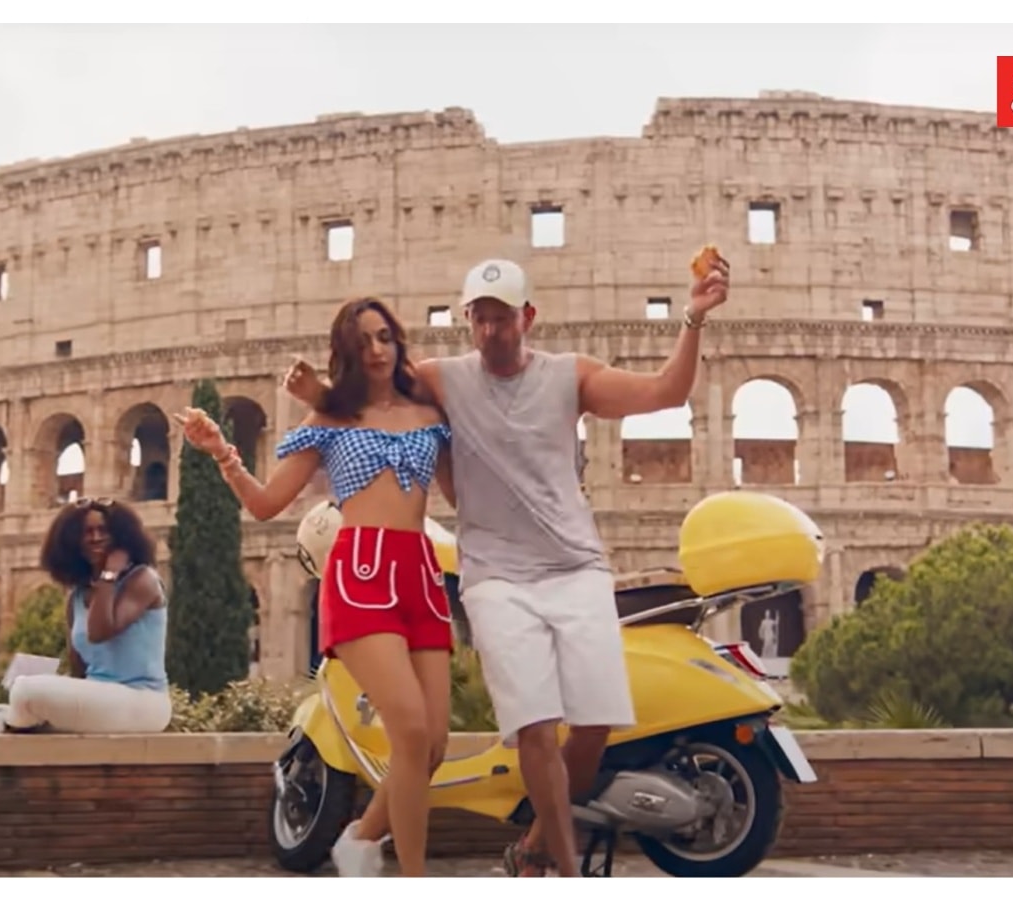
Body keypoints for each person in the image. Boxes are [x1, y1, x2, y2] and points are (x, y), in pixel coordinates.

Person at [285, 253, 730, 876]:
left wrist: (694, 317)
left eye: (502, 317)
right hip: (495, 574)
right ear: (467, 319)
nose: (491, 330)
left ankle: (534, 847)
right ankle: (565, 876)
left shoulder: (570, 375)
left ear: (528, 316)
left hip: (575, 565)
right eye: (480, 318)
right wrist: (319, 397)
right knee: (536, 730)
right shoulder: (443, 378)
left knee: (595, 726)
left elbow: (666, 392)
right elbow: (372, 387)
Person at [175, 297, 457, 879]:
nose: (377, 350)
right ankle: (415, 879)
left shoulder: (429, 412)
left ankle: (360, 837)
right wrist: (223, 452)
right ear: (346, 353)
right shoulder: (328, 421)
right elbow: (266, 504)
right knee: (408, 731)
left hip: (421, 570)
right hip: (362, 571)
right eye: (363, 342)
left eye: (384, 337)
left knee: (433, 745)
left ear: (399, 341)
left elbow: (464, 494)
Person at [0, 496, 173, 734]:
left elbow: (99, 632)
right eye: (86, 532)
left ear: (121, 536)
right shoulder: (77, 597)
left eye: (103, 530)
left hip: (143, 700)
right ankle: (19, 721)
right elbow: (79, 670)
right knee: (23, 688)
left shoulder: (142, 580)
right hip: (99, 701)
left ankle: (9, 721)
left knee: (25, 690)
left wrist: (109, 574)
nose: (95, 537)